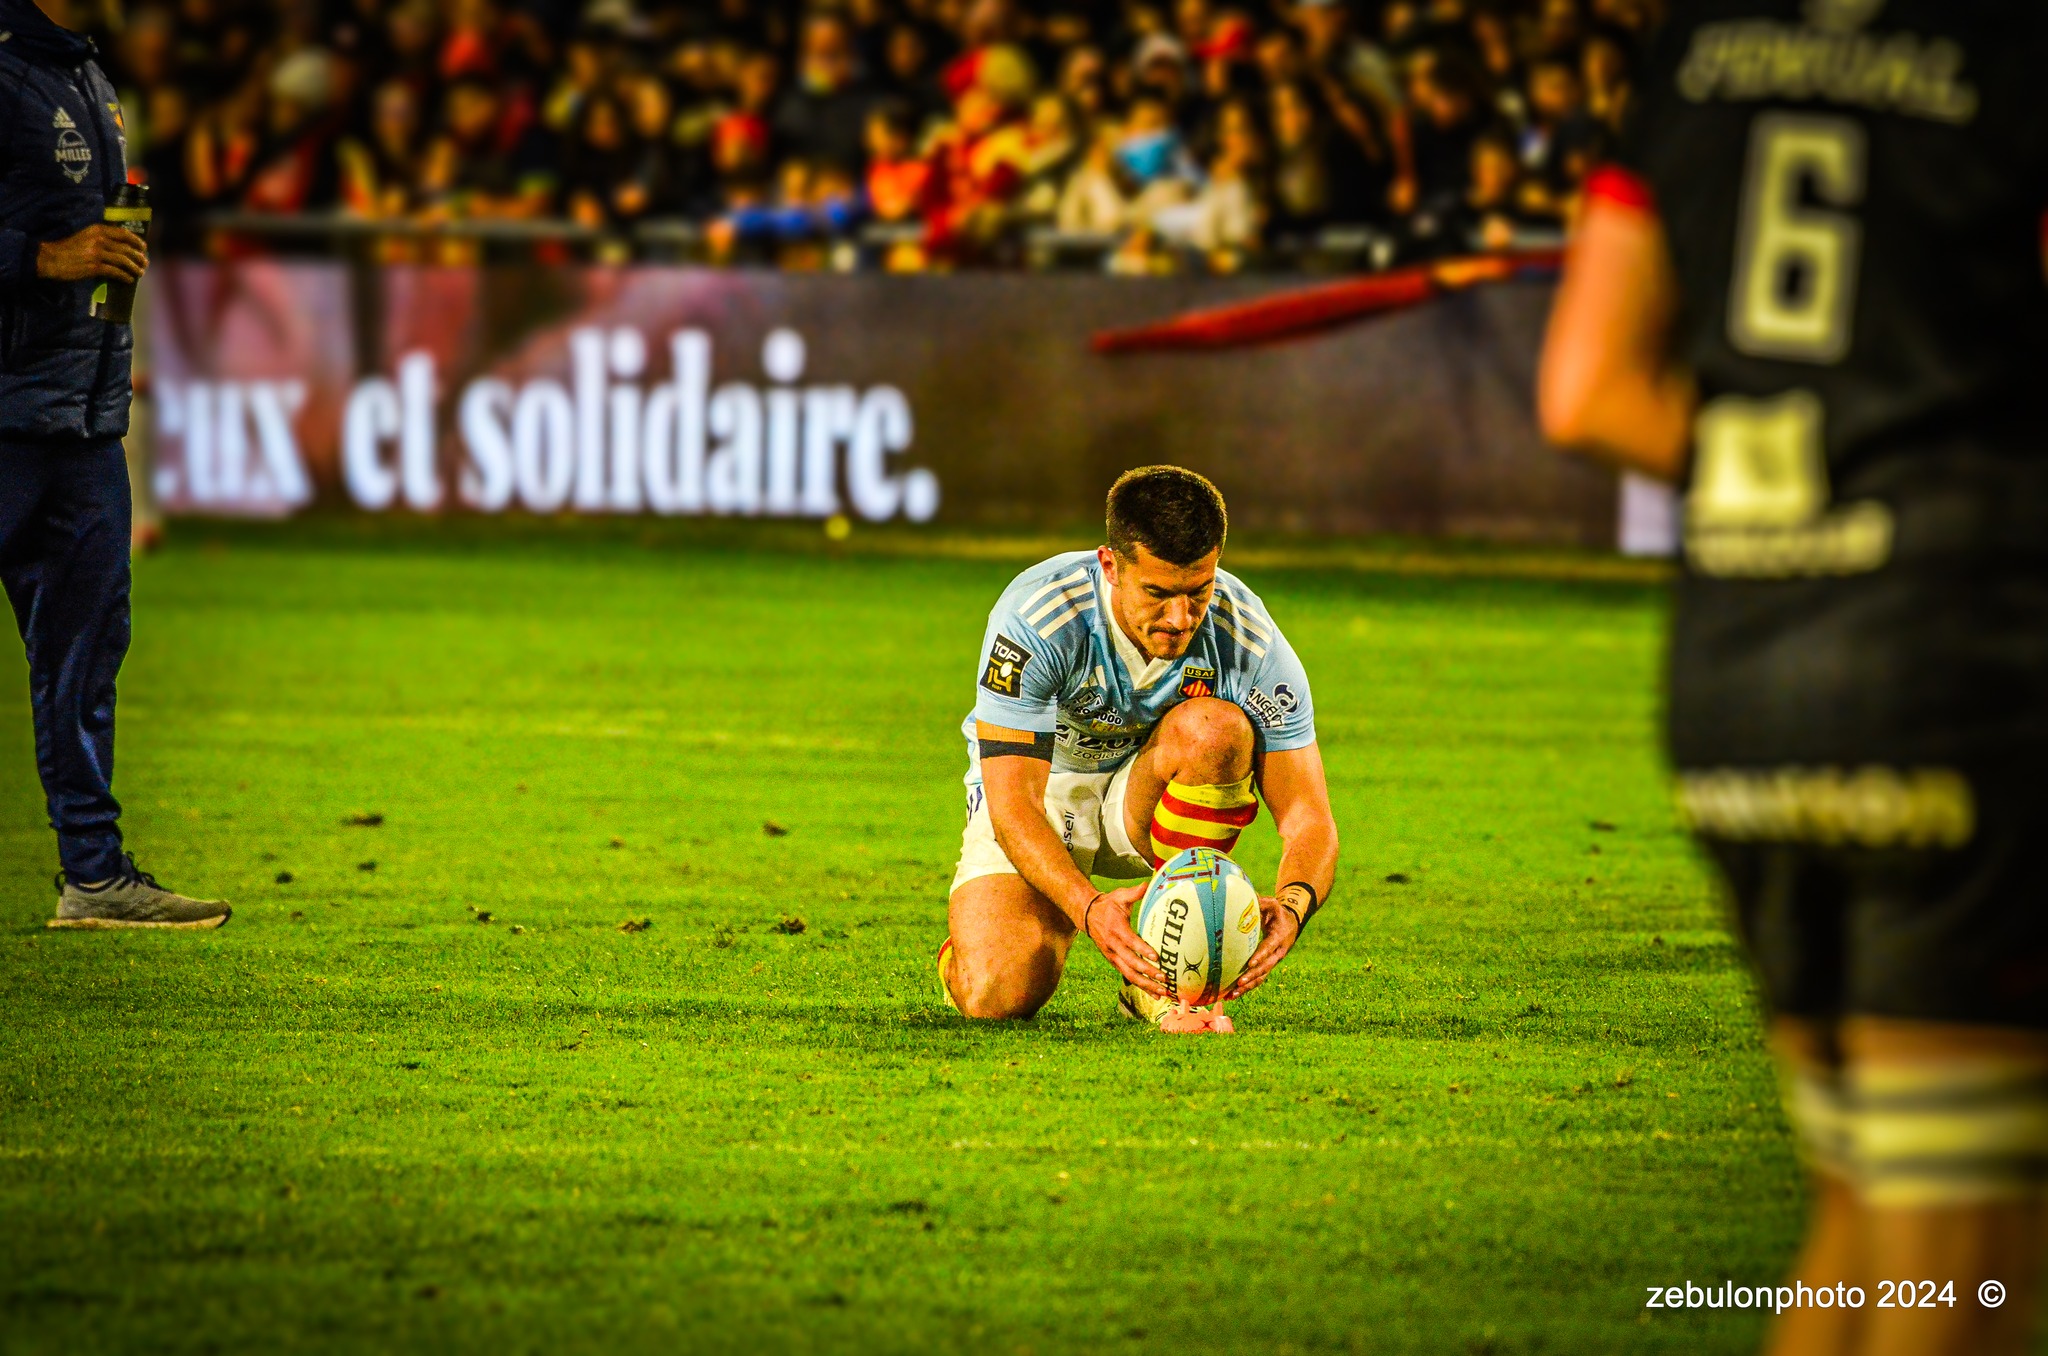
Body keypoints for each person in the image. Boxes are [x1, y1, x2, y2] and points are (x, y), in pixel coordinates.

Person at [1538, 4, 2048, 1353]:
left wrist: (1805, 493)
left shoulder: (1700, 42)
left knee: (1863, 1232)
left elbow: (1583, 388)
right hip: (1954, 661)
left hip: (1738, 676)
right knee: (1965, 1279)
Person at [938, 466, 1339, 1032]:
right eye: (1158, 593)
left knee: (1217, 731)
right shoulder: (1037, 617)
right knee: (999, 994)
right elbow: (1013, 806)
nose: (1180, 618)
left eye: (1198, 592)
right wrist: (1089, 910)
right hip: (1041, 793)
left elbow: (1308, 816)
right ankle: (974, 945)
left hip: (1145, 796)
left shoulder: (1247, 638)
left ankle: (1165, 983)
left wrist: (1294, 907)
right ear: (1111, 566)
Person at [0, 0, 226, 927]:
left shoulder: (87, 73)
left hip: (84, 421)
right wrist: (40, 256)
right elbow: (46, 249)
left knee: (88, 650)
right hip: (8, 414)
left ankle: (94, 875)